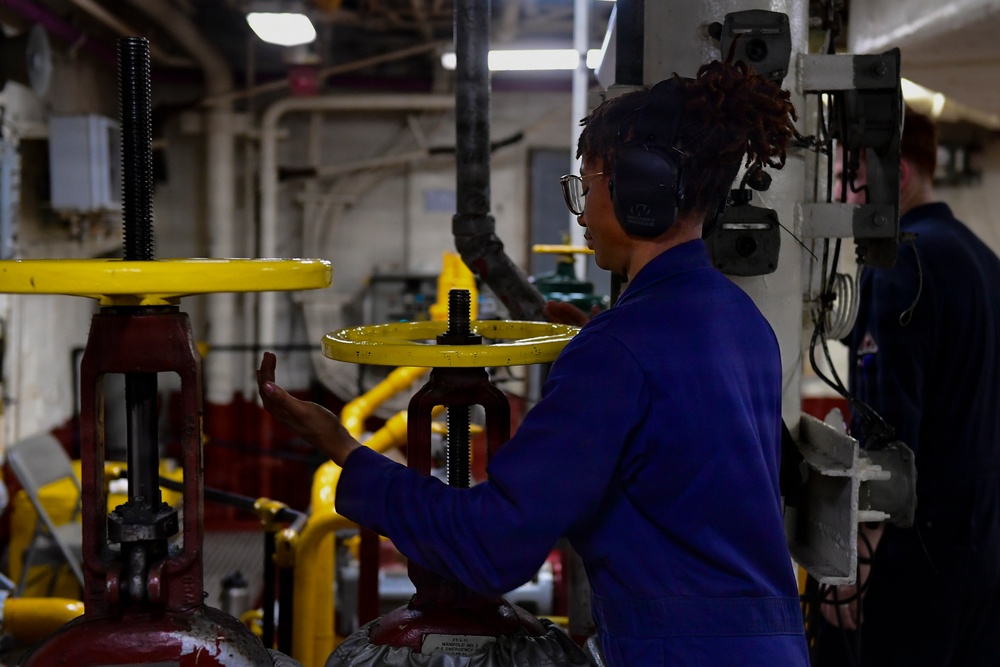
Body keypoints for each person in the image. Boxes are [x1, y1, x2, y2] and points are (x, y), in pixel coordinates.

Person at [257, 59, 809, 666]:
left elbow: (493, 545)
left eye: (587, 185)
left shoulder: (619, 351)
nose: (581, 211)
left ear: (641, 189)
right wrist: (607, 344)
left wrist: (342, 448)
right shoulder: (742, 322)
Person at [816, 109, 1000, 665]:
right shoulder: (984, 261)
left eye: (845, 177)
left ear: (894, 175)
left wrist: (857, 554)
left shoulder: (900, 261)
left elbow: (887, 425)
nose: (838, 196)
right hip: (981, 553)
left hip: (912, 562)